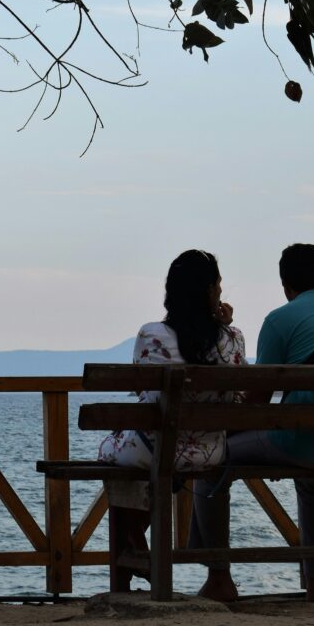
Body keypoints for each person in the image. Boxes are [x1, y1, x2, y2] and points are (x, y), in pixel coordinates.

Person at [191, 243, 314, 603]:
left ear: (285, 285)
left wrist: (222, 430)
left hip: (301, 444)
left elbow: (258, 401)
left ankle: (219, 577)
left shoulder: (279, 320)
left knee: (210, 461)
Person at [97, 249, 246, 587]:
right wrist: (225, 330)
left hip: (158, 448)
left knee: (114, 452)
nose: (222, 292)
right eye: (219, 286)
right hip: (210, 452)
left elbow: (145, 396)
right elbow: (236, 398)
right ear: (209, 291)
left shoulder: (153, 334)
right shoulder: (233, 339)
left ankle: (134, 546)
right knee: (150, 463)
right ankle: (136, 545)